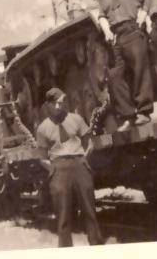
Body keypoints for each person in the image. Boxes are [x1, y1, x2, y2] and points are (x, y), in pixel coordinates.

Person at [90, 0, 154, 131]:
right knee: (115, 76)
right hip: (115, 36)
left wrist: (144, 13)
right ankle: (127, 115)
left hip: (133, 30)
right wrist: (107, 31)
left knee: (140, 70)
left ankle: (144, 112)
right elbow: (101, 15)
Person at [34, 87, 104, 247]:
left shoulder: (76, 119)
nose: (59, 106)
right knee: (63, 215)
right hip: (59, 168)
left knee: (90, 210)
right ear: (48, 105)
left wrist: (83, 159)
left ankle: (96, 245)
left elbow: (89, 142)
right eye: (55, 103)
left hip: (79, 164)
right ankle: (66, 250)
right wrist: (53, 169)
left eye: (62, 102)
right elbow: (42, 157)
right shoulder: (43, 128)